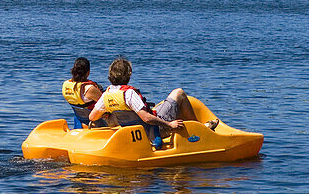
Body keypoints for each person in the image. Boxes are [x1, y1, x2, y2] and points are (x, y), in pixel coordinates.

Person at [88, 57, 217, 148]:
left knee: (159, 105)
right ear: (129, 74)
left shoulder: (107, 95)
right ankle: (199, 131)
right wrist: (169, 124)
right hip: (153, 130)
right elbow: (147, 118)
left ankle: (193, 127)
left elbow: (92, 117)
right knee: (179, 93)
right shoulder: (129, 94)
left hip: (132, 133)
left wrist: (112, 114)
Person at [62, 57, 103, 128]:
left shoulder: (66, 86)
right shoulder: (89, 88)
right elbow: (105, 104)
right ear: (88, 72)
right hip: (95, 123)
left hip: (79, 120)